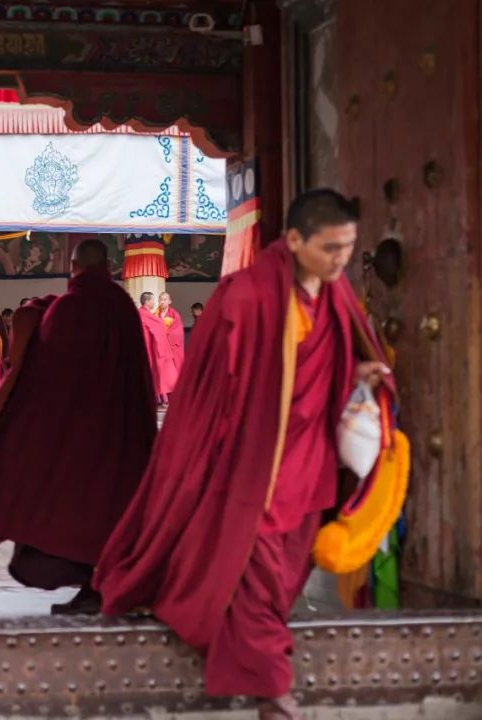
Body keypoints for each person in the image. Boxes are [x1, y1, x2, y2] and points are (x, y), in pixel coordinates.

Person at [94, 189, 393, 720]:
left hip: (311, 464)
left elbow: (320, 369)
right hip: (254, 466)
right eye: (330, 248)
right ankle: (273, 692)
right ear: (295, 240)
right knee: (254, 578)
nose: (340, 261)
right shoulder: (245, 296)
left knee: (281, 580)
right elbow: (211, 393)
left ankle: (261, 669)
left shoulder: (335, 294)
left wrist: (358, 376)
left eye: (347, 248)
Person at [0, 239, 157, 614]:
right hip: (122, 435)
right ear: (107, 267)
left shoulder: (70, 309)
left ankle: (95, 589)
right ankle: (102, 588)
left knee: (76, 514)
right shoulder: (124, 307)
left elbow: (44, 376)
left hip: (79, 440)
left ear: (73, 268)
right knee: (113, 513)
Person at [138, 291, 178, 406]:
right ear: (147, 302)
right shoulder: (145, 314)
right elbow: (158, 326)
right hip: (149, 350)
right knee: (156, 373)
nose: (155, 302)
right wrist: (162, 323)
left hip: (148, 349)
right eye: (153, 300)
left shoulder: (143, 314)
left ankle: (158, 398)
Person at [156, 291, 185, 374]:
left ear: (169, 301)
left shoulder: (174, 315)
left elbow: (178, 331)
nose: (162, 302)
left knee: (174, 366)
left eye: (165, 300)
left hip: (171, 345)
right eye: (161, 299)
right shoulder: (155, 314)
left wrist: (165, 334)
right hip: (159, 345)